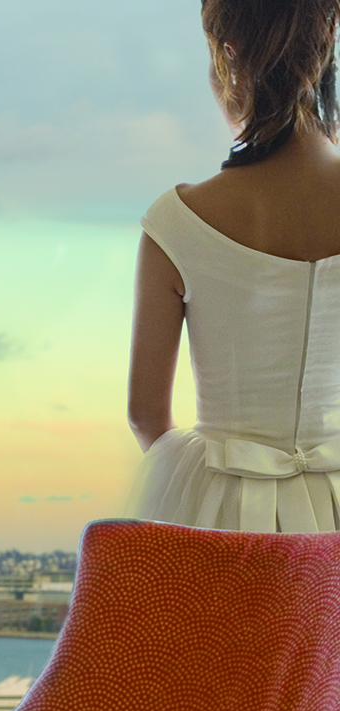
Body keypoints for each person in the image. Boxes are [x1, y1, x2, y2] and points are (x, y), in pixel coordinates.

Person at [125, 0, 340, 532]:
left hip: (224, 512)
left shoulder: (178, 222)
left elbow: (145, 415)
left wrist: (201, 485)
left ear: (230, 54)